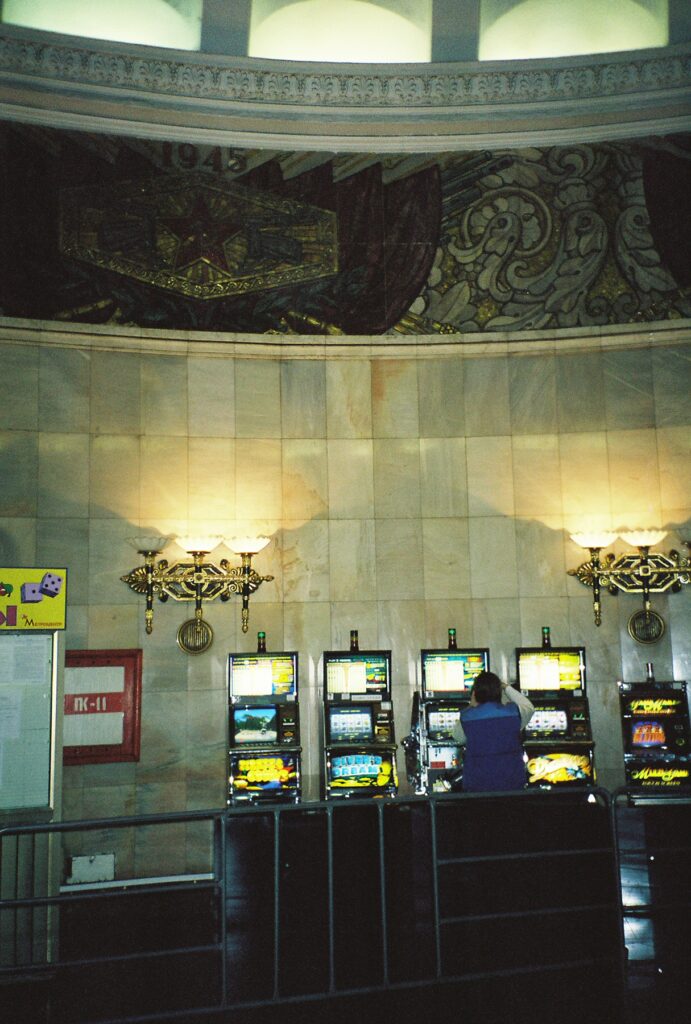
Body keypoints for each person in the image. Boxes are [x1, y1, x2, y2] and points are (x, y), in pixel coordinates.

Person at [454, 670, 534, 793]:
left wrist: (471, 705)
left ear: (475, 693)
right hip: (512, 783)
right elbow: (529, 707)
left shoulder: (466, 717)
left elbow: (458, 737)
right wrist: (506, 687)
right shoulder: (514, 713)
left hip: (477, 785)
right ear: (499, 692)